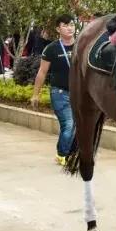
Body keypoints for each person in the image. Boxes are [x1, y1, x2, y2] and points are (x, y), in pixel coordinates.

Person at [30, 15, 76, 163]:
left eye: (72, 25)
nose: (70, 28)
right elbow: (42, 72)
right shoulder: (51, 48)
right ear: (58, 29)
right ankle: (63, 155)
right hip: (60, 93)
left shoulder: (82, 45)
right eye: (65, 25)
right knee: (68, 124)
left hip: (79, 94)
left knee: (75, 126)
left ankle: (66, 151)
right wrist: (35, 94)